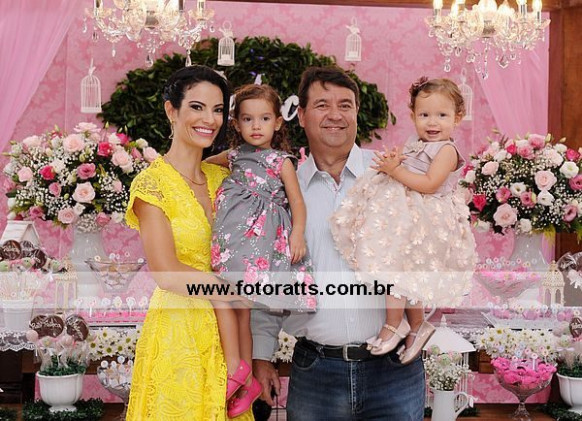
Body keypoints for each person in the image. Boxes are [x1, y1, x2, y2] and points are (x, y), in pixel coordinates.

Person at [251, 66, 426, 420]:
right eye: (322, 105)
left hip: (394, 371)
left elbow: (427, 250)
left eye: (345, 105)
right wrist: (261, 357)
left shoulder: (394, 175)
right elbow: (268, 280)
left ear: (357, 112)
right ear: (301, 116)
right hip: (316, 372)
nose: (335, 115)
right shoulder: (281, 190)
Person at [124, 65, 253, 421]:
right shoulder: (152, 184)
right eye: (197, 107)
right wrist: (225, 289)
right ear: (171, 110)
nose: (209, 120)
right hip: (179, 331)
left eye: (217, 110)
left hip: (231, 335)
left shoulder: (223, 177)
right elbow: (165, 272)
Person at [330, 77, 477, 364]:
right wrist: (394, 162)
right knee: (408, 272)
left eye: (442, 115)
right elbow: (408, 170)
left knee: (395, 268)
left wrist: (395, 171)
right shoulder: (417, 144)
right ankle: (418, 325)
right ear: (412, 115)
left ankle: (394, 323)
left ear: (457, 117)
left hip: (427, 218)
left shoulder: (446, 150)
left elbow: (429, 184)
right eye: (424, 115)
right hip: (412, 215)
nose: (432, 122)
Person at [207, 84, 315, 418]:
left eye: (264, 118)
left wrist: (297, 235)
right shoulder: (234, 156)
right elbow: (202, 164)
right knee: (232, 301)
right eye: (248, 119)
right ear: (236, 124)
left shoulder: (281, 161)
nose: (256, 126)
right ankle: (241, 373)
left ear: (278, 122)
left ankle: (241, 373)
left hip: (262, 239)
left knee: (243, 302)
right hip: (234, 237)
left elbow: (297, 203)